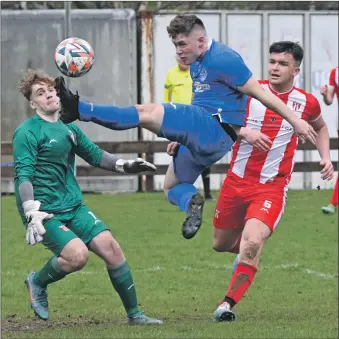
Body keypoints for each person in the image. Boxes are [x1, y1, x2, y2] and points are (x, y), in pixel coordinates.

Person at [54, 14, 317, 242]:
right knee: (170, 187)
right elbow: (200, 100)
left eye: (183, 44)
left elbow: (262, 95)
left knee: (145, 112)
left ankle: (79, 109)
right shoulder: (196, 63)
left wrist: (296, 121)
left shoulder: (224, 58)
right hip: (211, 140)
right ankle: (192, 200)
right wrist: (181, 138)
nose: (179, 50)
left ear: (201, 41)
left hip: (211, 126)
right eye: (175, 44)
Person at [13, 69, 163, 325]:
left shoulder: (68, 127)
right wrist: (30, 210)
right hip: (43, 210)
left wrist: (125, 165)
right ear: (32, 103)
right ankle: (36, 281)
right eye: (40, 93)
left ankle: (135, 315)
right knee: (77, 256)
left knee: (112, 249)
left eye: (50, 89)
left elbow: (95, 155)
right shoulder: (27, 132)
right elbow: (23, 176)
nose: (48, 94)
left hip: (72, 204)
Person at [163, 55, 214, 201]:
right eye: (179, 58)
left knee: (203, 151)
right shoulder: (171, 74)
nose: (182, 61)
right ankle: (185, 190)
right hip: (180, 119)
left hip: (197, 118)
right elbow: (166, 98)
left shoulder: (198, 72)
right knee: (178, 152)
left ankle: (208, 192)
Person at [320, 66, 338, 214]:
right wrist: (325, 95)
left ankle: (333, 204)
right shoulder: (335, 72)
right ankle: (333, 203)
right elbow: (329, 100)